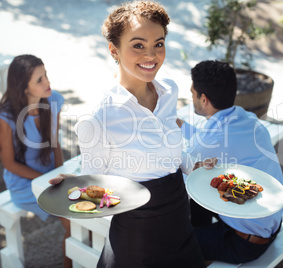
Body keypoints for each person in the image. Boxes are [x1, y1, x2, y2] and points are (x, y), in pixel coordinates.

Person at [73, 1, 205, 267]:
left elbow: (169, 150)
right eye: (138, 45)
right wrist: (74, 189)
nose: (151, 55)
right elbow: (94, 191)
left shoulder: (168, 90)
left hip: (180, 220)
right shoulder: (98, 117)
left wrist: (192, 164)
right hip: (137, 238)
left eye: (159, 43)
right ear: (114, 50)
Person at [177, 60, 283, 264]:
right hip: (267, 222)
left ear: (204, 99)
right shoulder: (247, 119)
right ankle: (199, 232)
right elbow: (213, 140)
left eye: (192, 94)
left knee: (168, 239)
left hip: (245, 243)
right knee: (204, 189)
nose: (192, 99)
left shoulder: (212, 142)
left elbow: (176, 178)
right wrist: (180, 125)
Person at [0, 54, 71, 268]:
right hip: (24, 182)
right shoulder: (6, 118)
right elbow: (9, 164)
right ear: (24, 87)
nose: (48, 83)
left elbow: (55, 144)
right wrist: (47, 181)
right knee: (73, 222)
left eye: (46, 75)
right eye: (39, 80)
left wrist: (60, 174)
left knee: (84, 212)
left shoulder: (53, 100)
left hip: (50, 175)